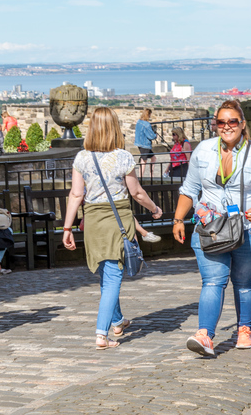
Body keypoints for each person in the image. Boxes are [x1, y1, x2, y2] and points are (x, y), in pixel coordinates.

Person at [173, 100, 251, 356]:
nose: (227, 126)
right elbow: (190, 189)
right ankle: (205, 335)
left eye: (233, 121)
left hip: (248, 226)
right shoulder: (204, 150)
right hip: (210, 227)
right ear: (216, 125)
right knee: (212, 281)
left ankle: (244, 328)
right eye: (221, 122)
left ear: (242, 124)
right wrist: (178, 219)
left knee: (243, 282)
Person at [62, 107, 163, 350]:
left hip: (94, 220)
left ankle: (117, 321)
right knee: (114, 275)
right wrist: (154, 208)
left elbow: (76, 194)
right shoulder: (123, 157)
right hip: (119, 218)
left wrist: (67, 227)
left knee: (107, 273)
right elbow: (136, 192)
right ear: (115, 127)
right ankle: (101, 334)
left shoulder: (82, 158)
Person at [134, 108, 158, 178]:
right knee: (143, 161)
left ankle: (151, 175)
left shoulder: (138, 122)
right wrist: (155, 135)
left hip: (139, 143)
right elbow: (151, 136)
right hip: (145, 145)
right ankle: (141, 177)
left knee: (153, 158)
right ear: (148, 115)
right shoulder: (147, 124)